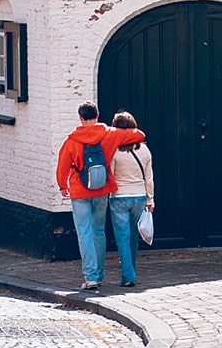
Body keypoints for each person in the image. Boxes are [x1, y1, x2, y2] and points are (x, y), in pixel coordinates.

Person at [55, 103, 145, 291]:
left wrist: (63, 186)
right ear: (98, 115)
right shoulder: (110, 134)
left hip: (80, 191)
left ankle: (91, 277)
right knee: (98, 232)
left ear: (80, 117)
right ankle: (100, 273)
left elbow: (62, 165)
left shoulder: (72, 140)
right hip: (102, 189)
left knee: (84, 233)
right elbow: (139, 135)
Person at [106, 111, 155, 288]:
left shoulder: (115, 151)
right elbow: (148, 178)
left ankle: (128, 275)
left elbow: (110, 174)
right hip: (139, 196)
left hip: (119, 197)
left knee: (122, 238)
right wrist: (150, 200)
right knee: (133, 237)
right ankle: (131, 270)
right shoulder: (144, 150)